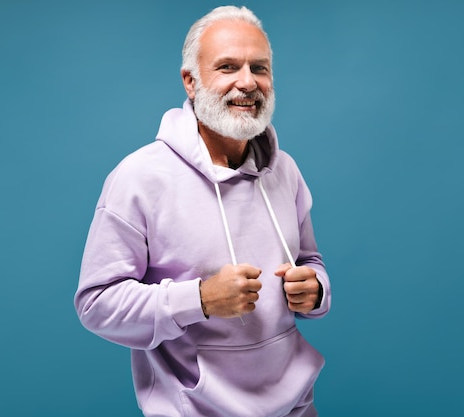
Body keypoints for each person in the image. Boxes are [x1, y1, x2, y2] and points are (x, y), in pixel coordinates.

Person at [74, 5, 331, 417]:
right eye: (228, 66)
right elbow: (96, 304)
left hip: (297, 406)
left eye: (259, 68)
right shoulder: (139, 177)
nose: (247, 82)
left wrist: (315, 289)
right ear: (191, 81)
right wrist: (200, 299)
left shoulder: (286, 170)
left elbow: (309, 259)